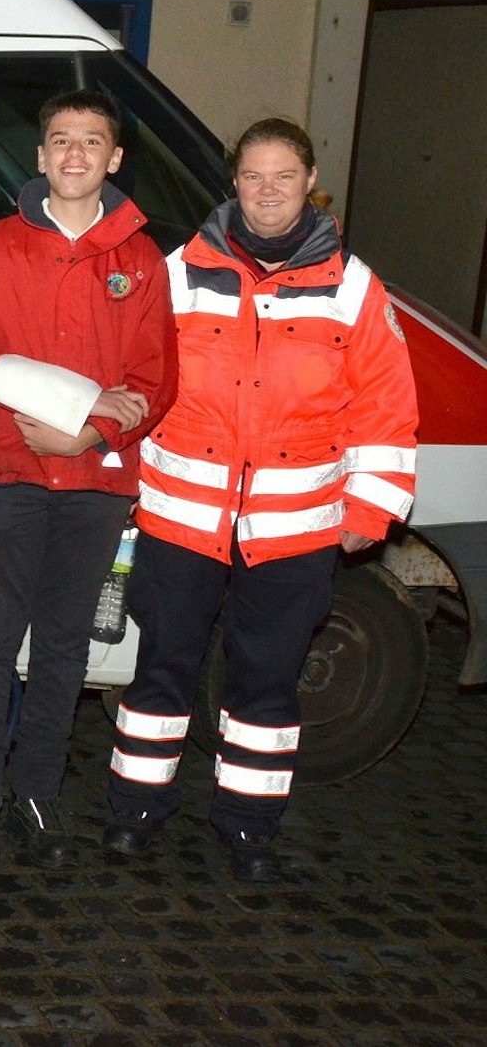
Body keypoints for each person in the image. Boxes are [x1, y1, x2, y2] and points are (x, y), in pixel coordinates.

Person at [103, 118, 417, 882]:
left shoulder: (352, 287)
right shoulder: (179, 272)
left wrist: (370, 512)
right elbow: (132, 385)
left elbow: (386, 407)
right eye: (252, 176)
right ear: (232, 183)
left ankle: (249, 823)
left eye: (283, 176)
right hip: (182, 518)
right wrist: (121, 484)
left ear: (310, 181)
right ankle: (136, 809)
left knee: (267, 683)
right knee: (160, 672)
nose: (267, 191)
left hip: (292, 531)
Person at [0, 90, 177, 870]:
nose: (74, 154)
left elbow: (155, 378)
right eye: (59, 140)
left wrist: (89, 428)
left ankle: (38, 795)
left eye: (92, 141)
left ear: (114, 159)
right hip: (7, 468)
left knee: (65, 648)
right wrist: (64, 401)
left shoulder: (139, 260)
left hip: (96, 478)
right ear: (39, 157)